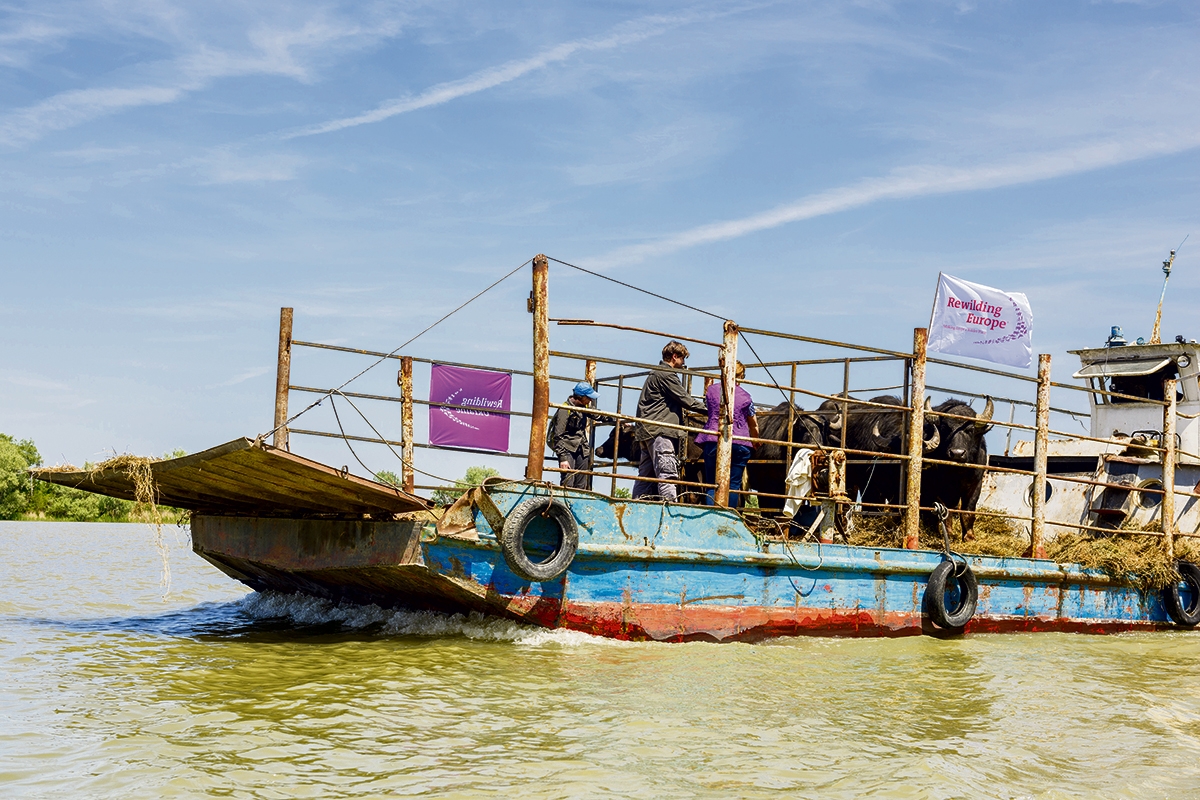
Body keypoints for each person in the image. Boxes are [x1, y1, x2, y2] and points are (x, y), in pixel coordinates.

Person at [633, 341, 707, 501]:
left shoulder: (655, 373)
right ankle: (670, 511)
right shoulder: (666, 374)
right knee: (667, 473)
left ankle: (636, 507)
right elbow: (686, 400)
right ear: (675, 357)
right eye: (683, 359)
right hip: (660, 432)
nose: (683, 364)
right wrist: (713, 410)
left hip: (647, 431)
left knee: (646, 476)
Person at [695, 361, 758, 507]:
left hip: (713, 439)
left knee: (712, 483)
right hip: (739, 441)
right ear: (741, 375)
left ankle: (712, 517)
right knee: (733, 485)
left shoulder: (710, 391)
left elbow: (709, 408)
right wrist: (755, 440)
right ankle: (728, 518)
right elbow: (753, 424)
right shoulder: (747, 397)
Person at [548, 381, 606, 489]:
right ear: (581, 397)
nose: (591, 400)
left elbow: (599, 415)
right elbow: (558, 435)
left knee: (581, 484)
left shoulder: (583, 407)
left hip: (581, 448)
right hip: (567, 449)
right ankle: (565, 505)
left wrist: (618, 419)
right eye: (589, 397)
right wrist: (563, 458)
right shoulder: (565, 409)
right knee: (568, 482)